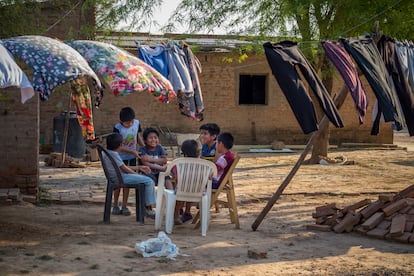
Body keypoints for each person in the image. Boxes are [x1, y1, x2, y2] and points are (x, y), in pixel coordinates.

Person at [103, 133, 156, 218]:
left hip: (117, 176)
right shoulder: (114, 154)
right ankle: (149, 207)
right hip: (121, 178)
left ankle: (147, 207)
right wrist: (136, 175)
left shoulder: (107, 152)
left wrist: (139, 167)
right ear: (120, 145)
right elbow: (125, 168)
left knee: (146, 179)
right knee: (149, 181)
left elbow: (121, 166)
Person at [112, 107, 144, 216]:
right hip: (120, 157)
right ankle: (115, 204)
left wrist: (143, 147)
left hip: (132, 158)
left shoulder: (136, 124)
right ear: (121, 121)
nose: (130, 124)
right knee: (119, 182)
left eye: (131, 122)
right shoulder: (117, 128)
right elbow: (117, 147)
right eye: (127, 123)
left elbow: (137, 136)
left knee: (128, 182)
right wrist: (131, 151)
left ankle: (124, 205)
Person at [165, 139, 201, 225]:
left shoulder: (179, 163)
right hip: (198, 191)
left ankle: (176, 215)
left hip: (181, 191)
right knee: (189, 188)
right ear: (198, 153)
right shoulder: (202, 164)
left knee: (179, 192)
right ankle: (187, 212)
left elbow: (174, 176)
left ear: (184, 153)